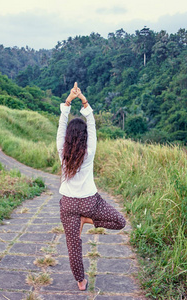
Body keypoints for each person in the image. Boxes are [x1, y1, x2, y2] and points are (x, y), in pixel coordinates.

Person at [57, 82, 127, 291]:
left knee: (73, 246)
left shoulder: (62, 148)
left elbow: (62, 123)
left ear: (68, 137)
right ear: (85, 136)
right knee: (120, 221)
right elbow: (92, 123)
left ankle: (80, 282)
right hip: (89, 202)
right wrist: (83, 101)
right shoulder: (90, 150)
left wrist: (69, 100)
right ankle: (88, 220)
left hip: (68, 204)